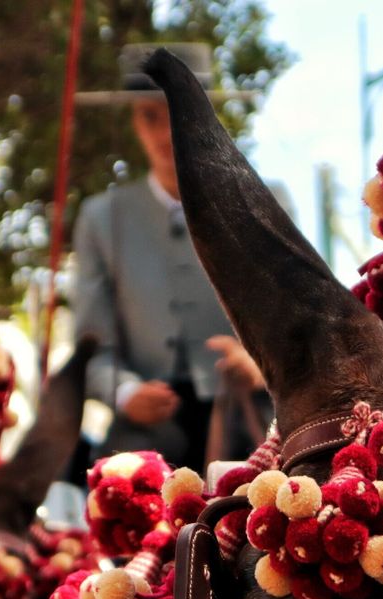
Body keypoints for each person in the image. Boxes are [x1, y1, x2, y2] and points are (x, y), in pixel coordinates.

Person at [73, 43, 272, 473]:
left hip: (254, 419)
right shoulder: (101, 219)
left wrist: (259, 363)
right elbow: (92, 350)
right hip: (145, 436)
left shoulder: (264, 203)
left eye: (180, 112)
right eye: (150, 115)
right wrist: (125, 393)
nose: (167, 132)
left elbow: (306, 323)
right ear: (134, 122)